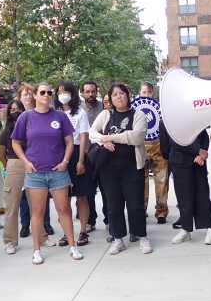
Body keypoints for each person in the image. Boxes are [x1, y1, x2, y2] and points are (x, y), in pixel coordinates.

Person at [11, 81, 83, 264]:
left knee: (64, 209)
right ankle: (37, 250)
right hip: (35, 173)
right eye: (42, 92)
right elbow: (15, 142)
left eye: (49, 93)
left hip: (57, 172)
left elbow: (69, 141)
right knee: (37, 212)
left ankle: (72, 246)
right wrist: (25, 162)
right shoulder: (25, 117)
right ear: (35, 95)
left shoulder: (60, 116)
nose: (46, 96)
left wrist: (65, 161)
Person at [89, 83, 153, 255]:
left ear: (128, 95)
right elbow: (92, 133)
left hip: (132, 167)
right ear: (110, 98)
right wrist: (103, 140)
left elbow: (137, 137)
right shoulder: (105, 114)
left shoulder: (137, 114)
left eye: (122, 93)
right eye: (115, 94)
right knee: (113, 205)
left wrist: (110, 137)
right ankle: (118, 239)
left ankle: (142, 236)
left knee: (135, 205)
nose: (119, 97)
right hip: (108, 169)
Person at [160, 124, 211, 245]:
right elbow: (168, 144)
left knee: (203, 195)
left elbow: (204, 136)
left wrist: (202, 153)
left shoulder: (192, 112)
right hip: (179, 162)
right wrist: (196, 151)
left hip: (198, 161)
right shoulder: (166, 120)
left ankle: (209, 228)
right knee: (183, 197)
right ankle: (185, 229)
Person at [14, 84, 53, 239]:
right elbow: (11, 141)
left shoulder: (44, 111)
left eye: (31, 94)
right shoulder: (17, 113)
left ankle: (46, 223)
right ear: (20, 97)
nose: (28, 97)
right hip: (21, 160)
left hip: (39, 162)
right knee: (24, 196)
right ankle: (25, 224)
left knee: (43, 195)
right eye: (25, 94)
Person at [57, 81, 93, 247]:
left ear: (72, 93)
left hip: (77, 153)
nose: (61, 94)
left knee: (81, 195)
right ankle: (66, 232)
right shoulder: (55, 113)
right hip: (60, 155)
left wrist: (80, 160)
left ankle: (83, 230)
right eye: (59, 92)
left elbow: (84, 136)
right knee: (63, 198)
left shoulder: (80, 113)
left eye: (65, 91)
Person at [139, 82, 169, 224]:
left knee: (162, 181)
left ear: (153, 93)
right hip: (141, 147)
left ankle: (161, 211)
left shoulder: (160, 108)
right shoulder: (135, 109)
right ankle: (141, 209)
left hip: (158, 145)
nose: (146, 95)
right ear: (140, 93)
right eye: (143, 92)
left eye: (149, 92)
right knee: (141, 181)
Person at [0, 100, 25, 254]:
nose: (16, 112)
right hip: (14, 164)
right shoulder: (6, 131)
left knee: (38, 205)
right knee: (11, 206)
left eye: (18, 108)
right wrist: (9, 166)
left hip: (32, 164)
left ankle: (42, 236)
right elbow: (1, 154)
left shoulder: (30, 127)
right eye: (12, 109)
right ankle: (10, 241)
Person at [81, 80, 105, 230]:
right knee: (88, 190)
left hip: (103, 154)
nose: (90, 94)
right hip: (85, 154)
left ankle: (109, 220)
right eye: (87, 91)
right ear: (82, 93)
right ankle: (91, 220)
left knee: (106, 189)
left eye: (93, 91)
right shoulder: (78, 109)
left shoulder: (104, 107)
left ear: (97, 91)